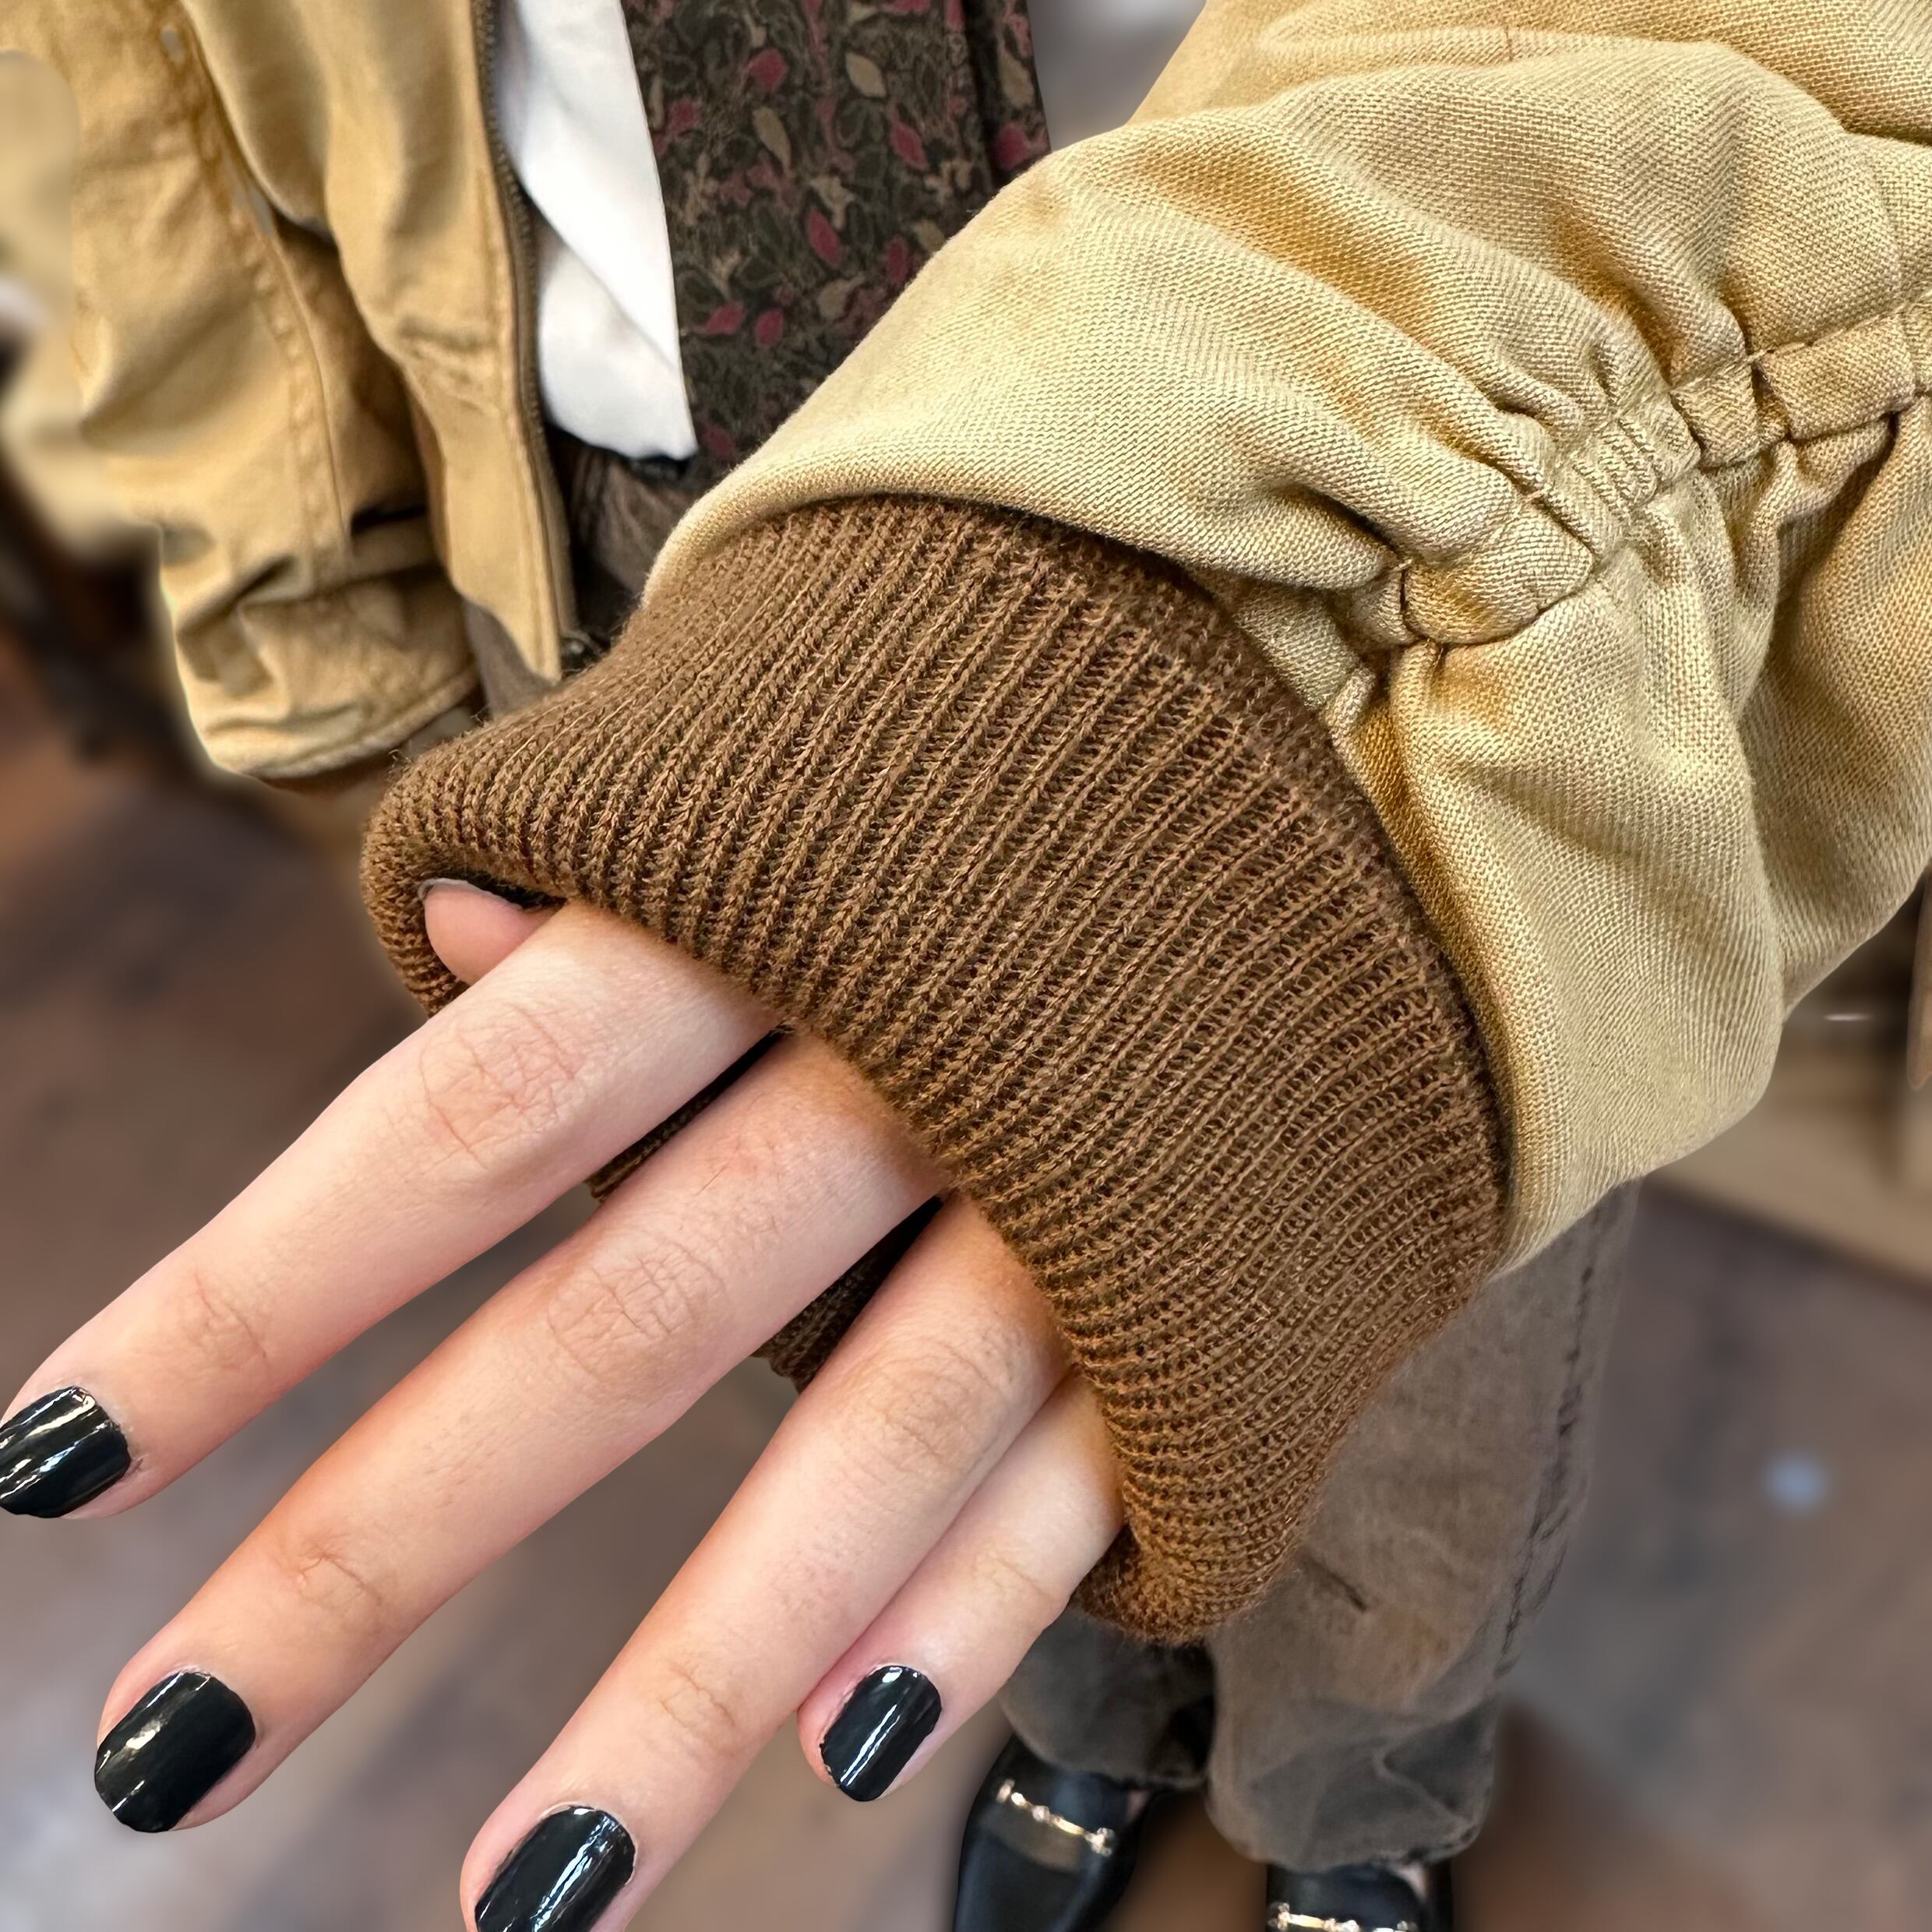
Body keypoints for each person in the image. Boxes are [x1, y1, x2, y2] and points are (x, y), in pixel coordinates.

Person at [2, 2, 1928, 1930]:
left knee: (1427, 1402)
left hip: (1336, 452)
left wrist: (1395, 567)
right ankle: (1082, 1719)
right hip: (624, 500)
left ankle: (1352, 1804)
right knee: (875, 1332)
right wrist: (312, 616)